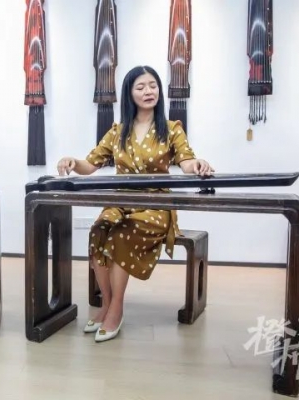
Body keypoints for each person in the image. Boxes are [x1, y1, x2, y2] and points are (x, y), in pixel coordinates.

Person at [56, 65, 214, 343]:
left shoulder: (172, 129)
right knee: (99, 230)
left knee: (122, 234)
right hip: (121, 201)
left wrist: (197, 164)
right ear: (130, 93)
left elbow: (187, 161)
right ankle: (107, 303)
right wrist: (72, 161)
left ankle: (116, 308)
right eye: (140, 87)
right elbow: (89, 165)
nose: (148, 91)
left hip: (155, 205)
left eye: (153, 85)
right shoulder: (117, 131)